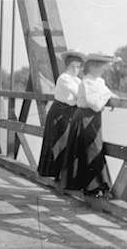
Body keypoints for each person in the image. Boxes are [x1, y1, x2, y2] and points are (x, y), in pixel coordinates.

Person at [59, 53, 119, 197]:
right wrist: (107, 96)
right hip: (85, 118)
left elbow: (106, 93)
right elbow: (96, 105)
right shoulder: (86, 82)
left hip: (93, 119)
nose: (104, 69)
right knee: (91, 150)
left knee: (93, 148)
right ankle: (94, 187)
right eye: (101, 66)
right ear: (92, 67)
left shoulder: (99, 81)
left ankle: (95, 186)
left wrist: (111, 96)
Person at [37, 50, 84, 179]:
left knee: (68, 141)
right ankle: (57, 174)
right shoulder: (64, 78)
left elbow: (83, 92)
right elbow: (78, 94)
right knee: (59, 142)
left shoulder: (77, 80)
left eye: (78, 67)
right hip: (60, 112)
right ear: (68, 66)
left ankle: (66, 175)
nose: (76, 69)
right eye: (74, 66)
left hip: (70, 112)